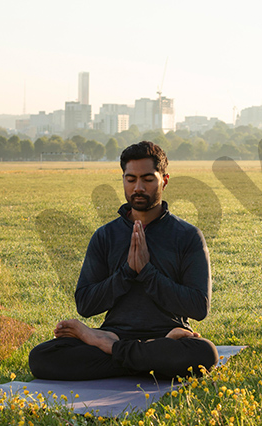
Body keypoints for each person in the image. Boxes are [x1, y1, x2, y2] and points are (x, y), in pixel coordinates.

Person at [29, 141, 218, 380]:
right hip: (119, 334)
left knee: (204, 353)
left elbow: (198, 307)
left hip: (168, 335)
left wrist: (148, 272)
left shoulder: (187, 236)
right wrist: (127, 272)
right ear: (123, 179)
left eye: (148, 179)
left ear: (165, 180)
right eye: (131, 179)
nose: (138, 187)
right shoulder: (106, 235)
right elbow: (86, 304)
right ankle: (141, 358)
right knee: (42, 356)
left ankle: (114, 352)